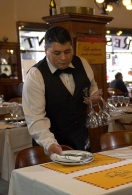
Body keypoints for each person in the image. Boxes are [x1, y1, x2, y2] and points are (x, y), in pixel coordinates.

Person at [22, 26, 101, 156]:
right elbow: (35, 118)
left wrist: (94, 96)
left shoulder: (82, 63)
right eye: (57, 53)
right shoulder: (35, 75)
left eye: (67, 51)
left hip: (81, 139)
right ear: (46, 50)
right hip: (51, 144)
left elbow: (92, 86)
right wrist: (49, 143)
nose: (63, 57)